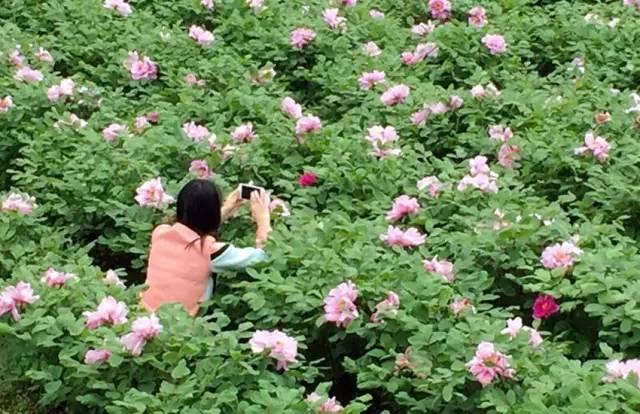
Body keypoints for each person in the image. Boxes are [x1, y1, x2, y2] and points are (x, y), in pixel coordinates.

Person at [141, 179, 271, 316]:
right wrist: (263, 218)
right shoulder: (210, 251)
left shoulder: (160, 233)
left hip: (142, 315)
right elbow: (263, 257)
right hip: (179, 326)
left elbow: (192, 227)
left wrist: (227, 208)